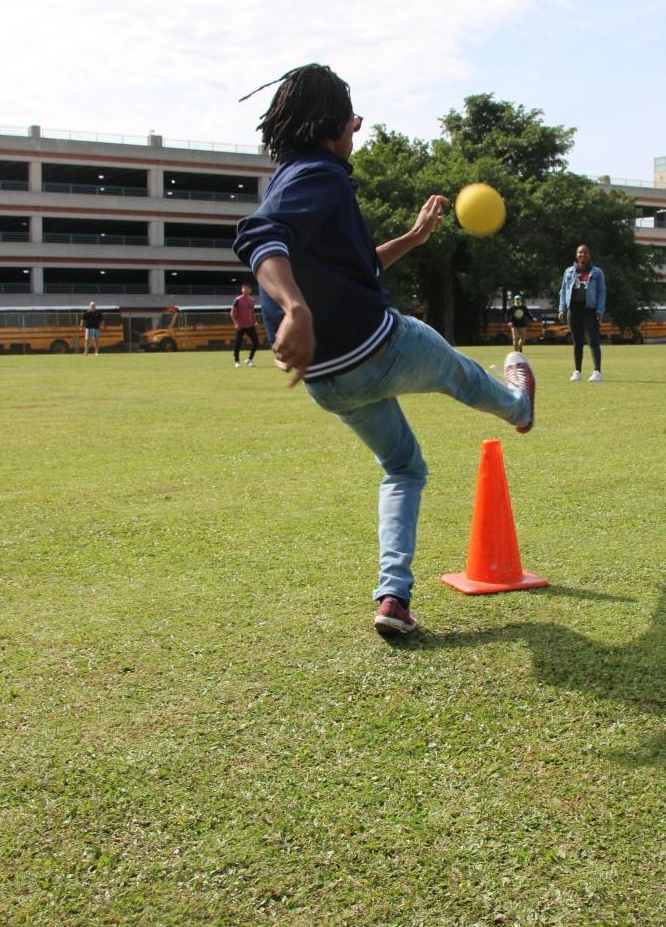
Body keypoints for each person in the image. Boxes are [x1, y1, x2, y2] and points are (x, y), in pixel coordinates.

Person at [233, 63, 535, 639]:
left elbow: (357, 266)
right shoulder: (318, 177)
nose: (357, 131)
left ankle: (392, 596)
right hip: (378, 347)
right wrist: (294, 309)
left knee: (402, 467)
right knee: (464, 377)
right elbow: (259, 237)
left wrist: (415, 238)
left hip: (328, 381)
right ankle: (520, 406)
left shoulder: (291, 175)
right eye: (352, 121)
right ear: (334, 123)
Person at [558, 243, 606, 382]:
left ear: (589, 255)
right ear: (576, 255)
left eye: (585, 253)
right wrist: (561, 308)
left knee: (593, 341)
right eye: (580, 253)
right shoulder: (569, 272)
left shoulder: (597, 272)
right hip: (574, 309)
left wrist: (600, 310)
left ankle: (597, 371)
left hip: (590, 310)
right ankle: (577, 371)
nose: (582, 255)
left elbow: (602, 292)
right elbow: (563, 291)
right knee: (577, 342)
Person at [231, 282, 260, 367]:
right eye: (245, 288)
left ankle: (249, 360)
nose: (247, 290)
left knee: (256, 342)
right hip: (240, 325)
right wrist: (236, 324)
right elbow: (232, 313)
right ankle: (237, 361)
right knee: (237, 344)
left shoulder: (252, 300)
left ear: (250, 290)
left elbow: (252, 313)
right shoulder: (237, 300)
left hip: (250, 325)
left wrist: (255, 322)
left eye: (248, 288)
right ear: (242, 290)